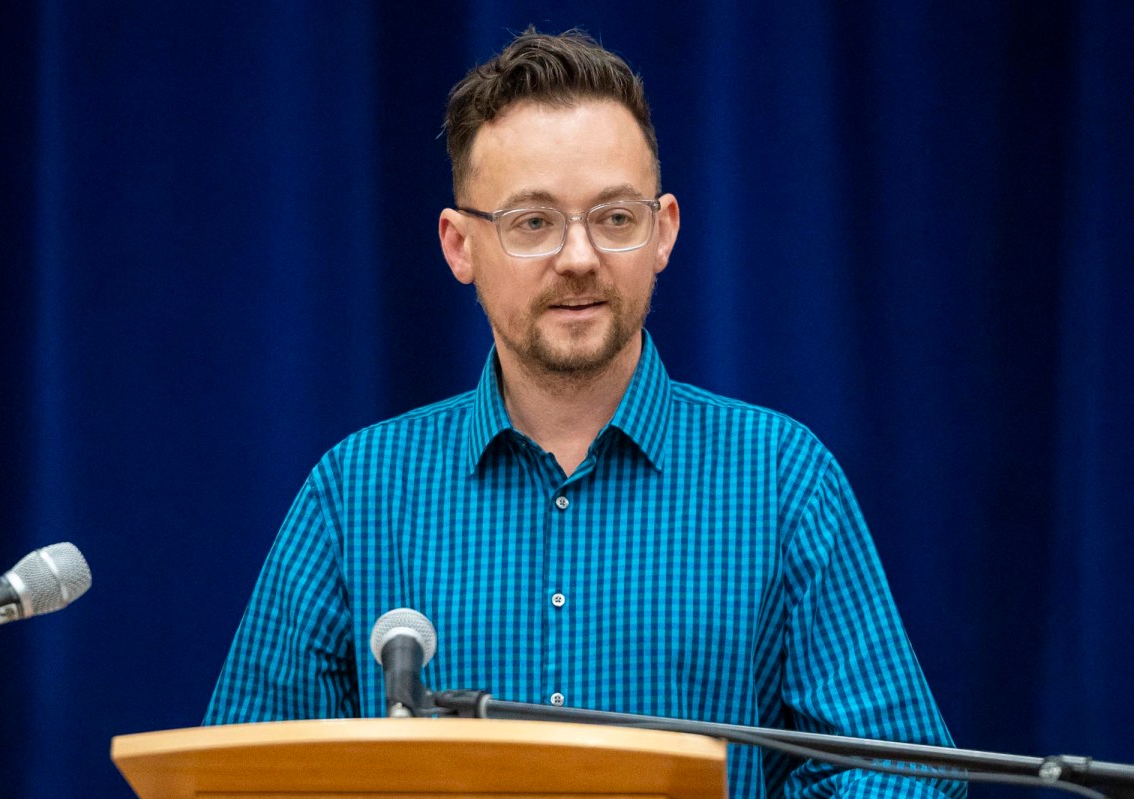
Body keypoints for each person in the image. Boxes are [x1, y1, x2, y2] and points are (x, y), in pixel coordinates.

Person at [206, 29, 964, 798]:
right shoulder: (355, 494)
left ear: (663, 231)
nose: (578, 257)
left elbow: (906, 777)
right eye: (533, 222)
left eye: (615, 218)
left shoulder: (781, 479)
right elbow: (237, 780)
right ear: (460, 245)